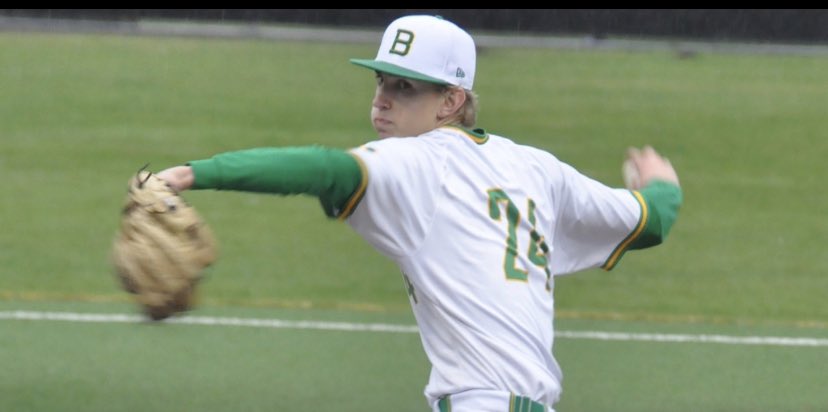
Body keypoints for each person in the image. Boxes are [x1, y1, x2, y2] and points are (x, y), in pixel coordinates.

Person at [157, 15, 682, 412]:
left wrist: (191, 174)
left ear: (451, 101)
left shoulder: (417, 162)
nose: (382, 100)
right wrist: (662, 184)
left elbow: (323, 169)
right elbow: (649, 219)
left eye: (404, 87)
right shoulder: (537, 168)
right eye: (381, 81)